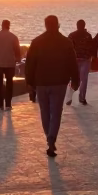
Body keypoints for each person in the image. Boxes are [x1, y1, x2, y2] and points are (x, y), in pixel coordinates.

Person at [24, 16, 80, 157]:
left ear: (45, 25)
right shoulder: (66, 42)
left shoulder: (36, 42)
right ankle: (51, 138)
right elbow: (72, 63)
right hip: (59, 82)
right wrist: (76, 80)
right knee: (56, 112)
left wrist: (30, 82)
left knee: (44, 111)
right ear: (58, 25)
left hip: (41, 83)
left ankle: (49, 137)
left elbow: (30, 64)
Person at [0, 19, 21, 111]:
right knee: (9, 84)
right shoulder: (13, 37)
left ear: (2, 25)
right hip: (10, 63)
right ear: (9, 26)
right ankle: (8, 104)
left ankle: (0, 105)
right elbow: (17, 51)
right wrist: (17, 60)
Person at [67, 19, 94, 105]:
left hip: (75, 60)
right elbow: (91, 47)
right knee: (84, 80)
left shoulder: (72, 35)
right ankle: (82, 98)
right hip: (85, 60)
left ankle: (69, 98)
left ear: (77, 25)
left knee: (73, 79)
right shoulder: (88, 35)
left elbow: (68, 48)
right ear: (84, 26)